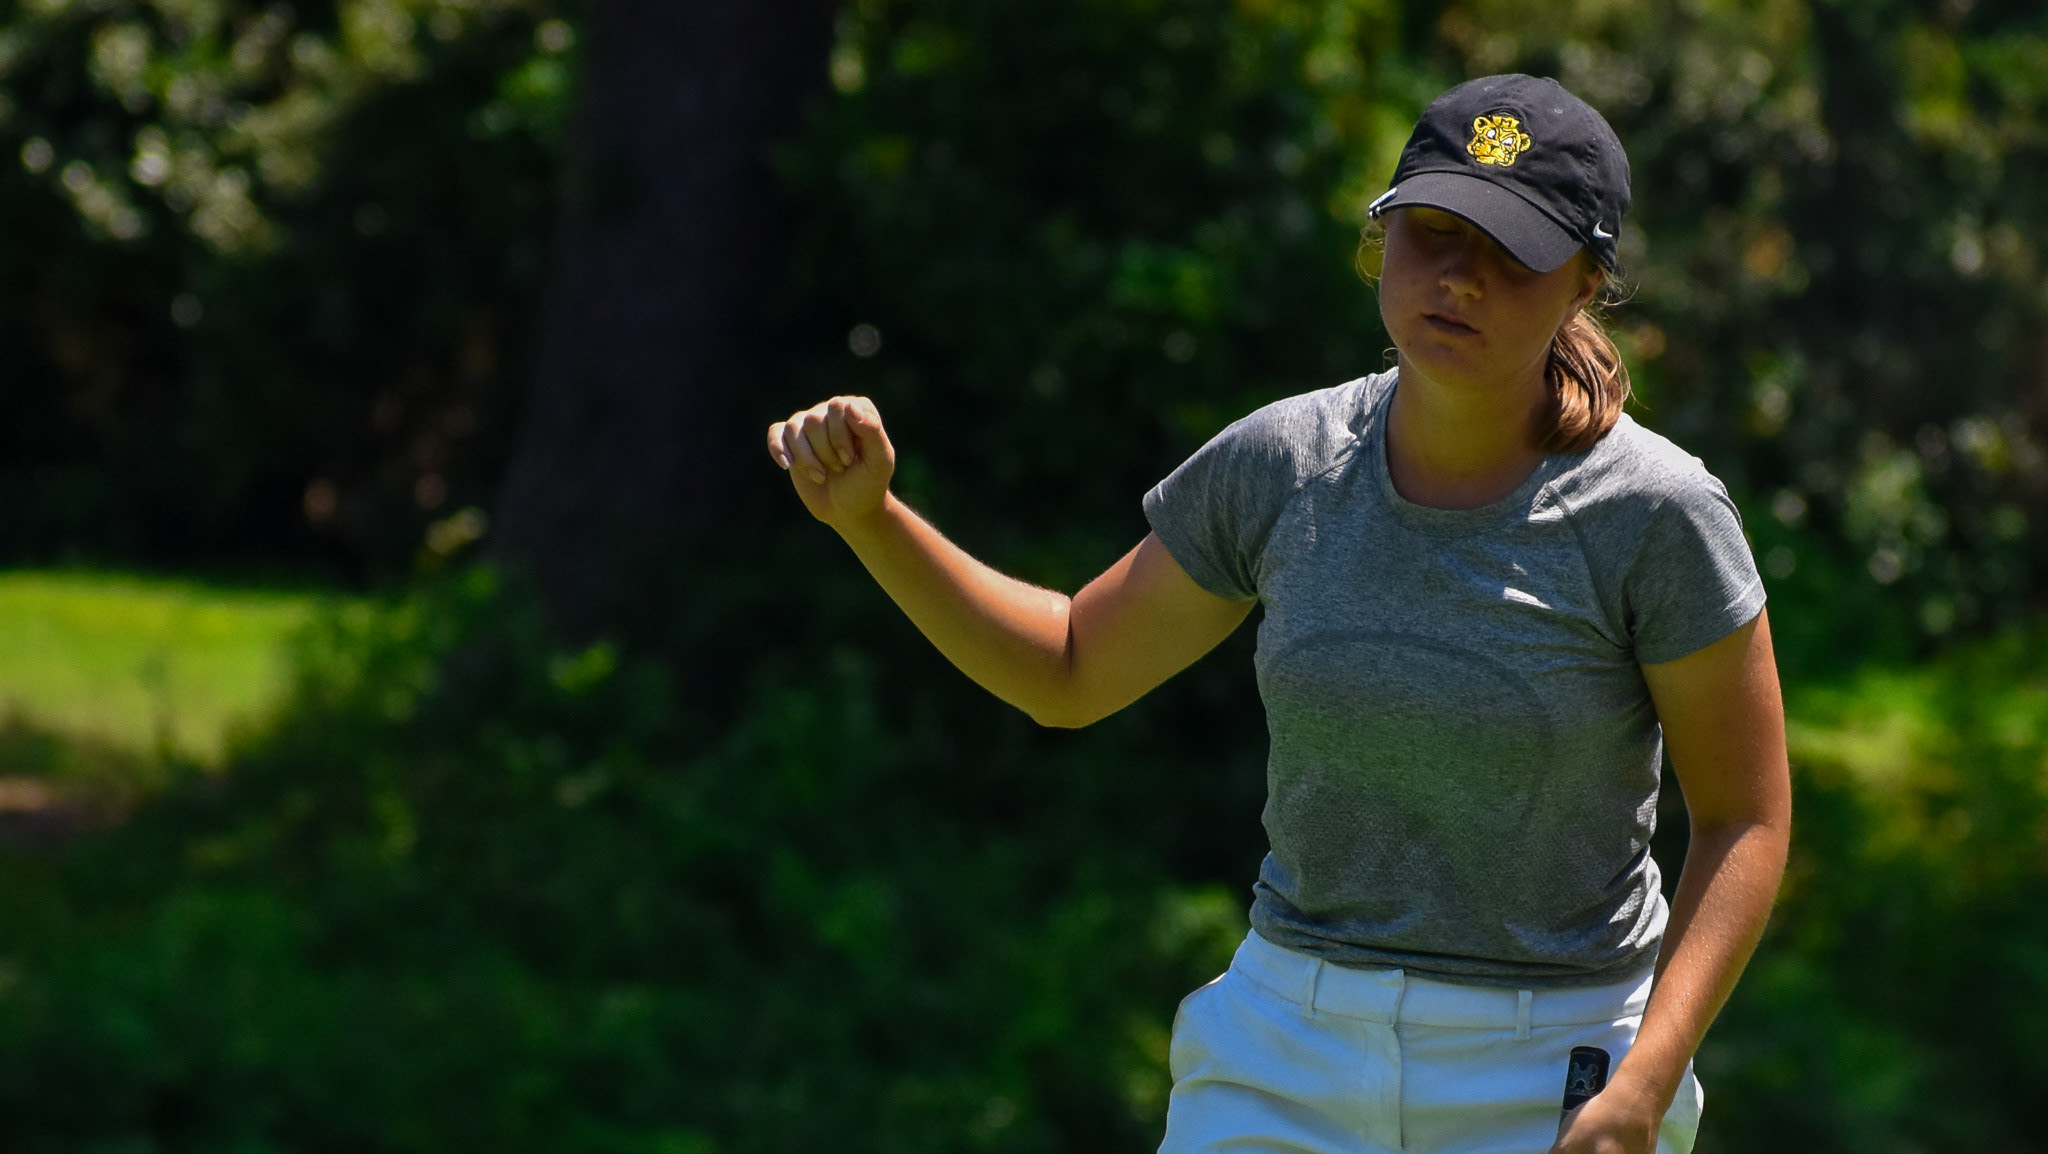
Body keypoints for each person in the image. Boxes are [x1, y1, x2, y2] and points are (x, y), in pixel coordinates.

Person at [766, 74, 1789, 1154]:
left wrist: (1644, 1078)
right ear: (1379, 239)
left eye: (1511, 251)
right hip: (1280, 1055)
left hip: (1555, 1073)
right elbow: (1066, 667)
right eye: (1432, 232)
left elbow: (1744, 819)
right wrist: (871, 520)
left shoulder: (1656, 513)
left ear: (1584, 282)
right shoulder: (1282, 463)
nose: (1459, 279)